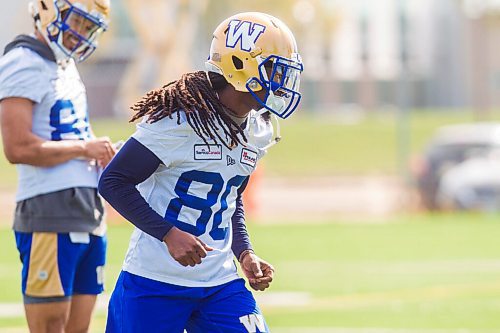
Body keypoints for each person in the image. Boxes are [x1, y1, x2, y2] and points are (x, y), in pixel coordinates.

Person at [98, 11, 303, 333]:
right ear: (241, 67)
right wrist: (168, 234)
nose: (282, 81)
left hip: (220, 283)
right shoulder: (178, 121)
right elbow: (113, 181)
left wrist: (244, 251)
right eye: (274, 70)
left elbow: (228, 197)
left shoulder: (258, 128)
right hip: (154, 281)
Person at [0, 1, 114, 332]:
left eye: (89, 26)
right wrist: (84, 148)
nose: (81, 33)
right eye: (78, 21)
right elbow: (17, 147)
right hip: (49, 209)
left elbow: (74, 133)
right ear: (49, 10)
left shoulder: (65, 65)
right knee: (50, 326)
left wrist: (103, 150)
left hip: (88, 208)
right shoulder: (23, 61)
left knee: (80, 328)